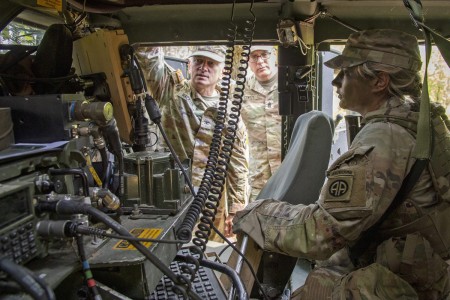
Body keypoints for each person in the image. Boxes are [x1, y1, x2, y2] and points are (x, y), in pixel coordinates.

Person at [233, 29, 450, 299]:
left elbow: (321, 233)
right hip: (418, 265)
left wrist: (257, 214)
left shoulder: (384, 138)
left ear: (379, 81)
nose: (336, 82)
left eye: (347, 72)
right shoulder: (421, 122)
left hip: (410, 281)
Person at [137, 46, 249, 241]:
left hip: (211, 201)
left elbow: (238, 165)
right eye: (198, 61)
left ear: (222, 71)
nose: (203, 68)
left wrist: (236, 210)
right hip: (170, 194)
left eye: (211, 63)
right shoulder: (170, 91)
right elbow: (150, 61)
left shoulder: (230, 113)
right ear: (190, 66)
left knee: (207, 251)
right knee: (169, 247)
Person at [241, 45, 282, 201]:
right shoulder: (240, 90)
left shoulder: (291, 85)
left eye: (264, 54)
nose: (260, 61)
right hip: (260, 178)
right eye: (254, 56)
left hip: (290, 171)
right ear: (248, 61)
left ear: (274, 56)